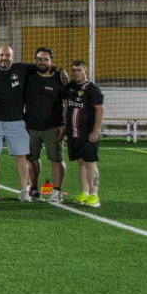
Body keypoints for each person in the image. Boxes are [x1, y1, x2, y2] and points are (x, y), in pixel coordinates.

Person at [0, 46, 34, 201]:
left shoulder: (22, 69)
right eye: (1, 55)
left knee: (21, 156)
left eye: (7, 55)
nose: (4, 58)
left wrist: (59, 72)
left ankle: (24, 190)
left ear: (13, 56)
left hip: (16, 121)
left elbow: (43, 67)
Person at [24, 47, 68, 203]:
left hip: (53, 126)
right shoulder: (28, 76)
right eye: (39, 59)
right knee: (31, 158)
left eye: (45, 59)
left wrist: (65, 123)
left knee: (56, 159)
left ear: (52, 61)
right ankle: (34, 188)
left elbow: (66, 103)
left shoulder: (59, 78)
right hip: (31, 126)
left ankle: (56, 191)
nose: (42, 62)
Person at [64, 61, 104, 208]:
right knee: (80, 162)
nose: (75, 73)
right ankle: (84, 192)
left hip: (87, 134)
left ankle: (94, 195)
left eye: (79, 70)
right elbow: (68, 105)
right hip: (74, 133)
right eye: (73, 70)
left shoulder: (92, 89)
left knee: (90, 164)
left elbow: (100, 110)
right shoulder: (71, 87)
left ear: (85, 71)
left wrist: (96, 131)